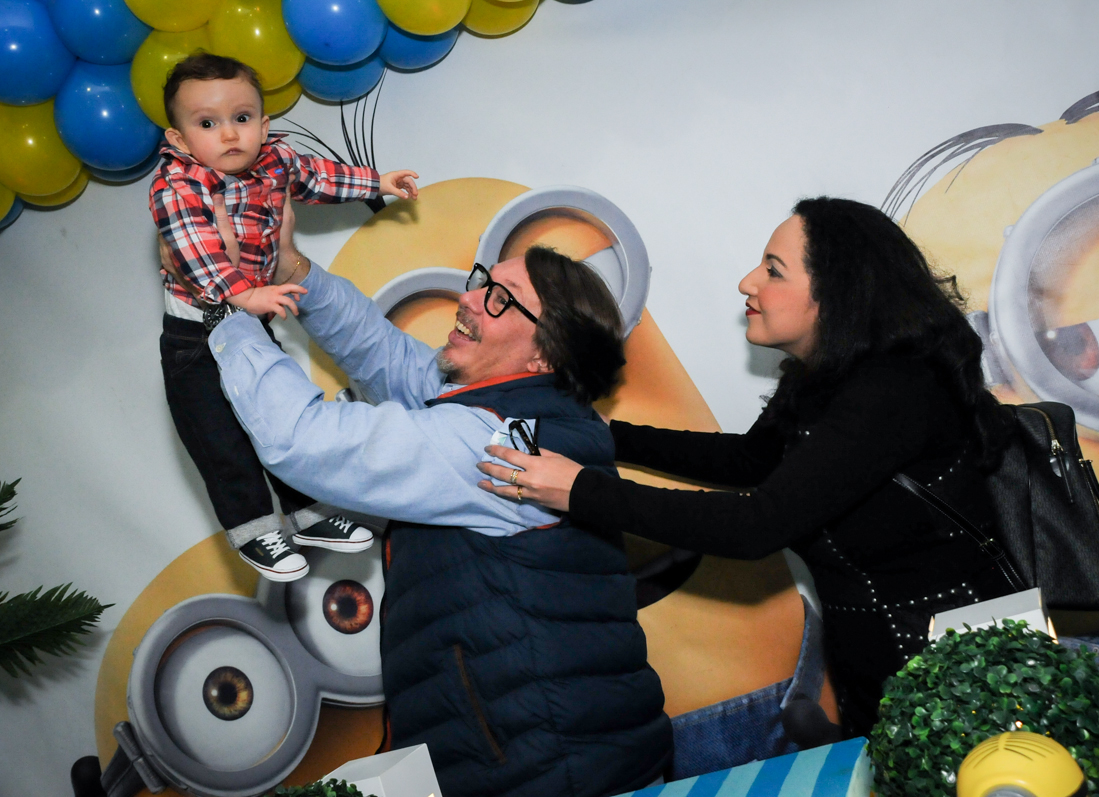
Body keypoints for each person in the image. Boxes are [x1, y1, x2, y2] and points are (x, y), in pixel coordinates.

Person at [477, 196, 1020, 738]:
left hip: (969, 683)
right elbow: (748, 460)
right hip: (888, 679)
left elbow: (757, 523)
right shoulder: (820, 381)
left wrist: (579, 490)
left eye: (773, 270)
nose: (747, 282)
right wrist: (603, 436)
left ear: (837, 291)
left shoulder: (895, 387)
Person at [202, 204, 672, 796]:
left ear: (546, 357)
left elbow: (300, 439)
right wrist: (292, 267)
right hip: (565, 756)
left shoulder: (496, 444)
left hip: (553, 774)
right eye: (483, 282)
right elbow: (388, 359)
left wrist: (223, 306)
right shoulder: (522, 412)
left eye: (501, 299)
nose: (469, 299)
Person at [151, 52, 419, 581]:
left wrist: (376, 183)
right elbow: (192, 246)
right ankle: (255, 531)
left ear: (264, 124)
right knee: (221, 440)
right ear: (179, 139)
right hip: (194, 336)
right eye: (207, 124)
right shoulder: (177, 183)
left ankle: (311, 513)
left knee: (284, 417)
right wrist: (240, 294)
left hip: (250, 319)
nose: (229, 134)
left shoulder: (275, 161)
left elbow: (320, 177)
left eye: (242, 117)